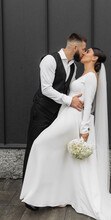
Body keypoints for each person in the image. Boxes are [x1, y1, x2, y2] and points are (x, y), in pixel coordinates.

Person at [20, 48, 111, 220]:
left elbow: (89, 105)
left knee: (40, 144)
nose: (84, 53)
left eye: (88, 51)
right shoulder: (80, 72)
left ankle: (34, 194)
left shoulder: (92, 76)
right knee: (62, 156)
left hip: (74, 119)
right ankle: (55, 194)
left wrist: (84, 129)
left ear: (94, 58)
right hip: (65, 115)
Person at [22, 33, 87, 184]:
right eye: (83, 49)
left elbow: (71, 87)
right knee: (34, 149)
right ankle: (28, 193)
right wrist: (69, 100)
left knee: (50, 152)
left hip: (59, 115)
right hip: (42, 112)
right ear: (75, 47)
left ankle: (45, 190)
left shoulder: (73, 67)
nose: (84, 53)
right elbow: (46, 89)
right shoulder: (49, 60)